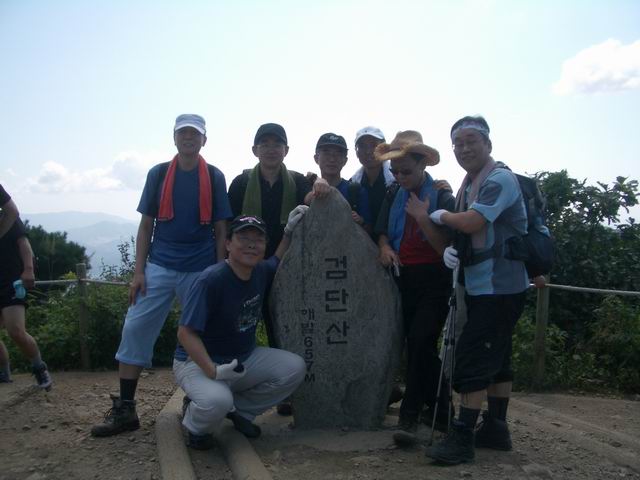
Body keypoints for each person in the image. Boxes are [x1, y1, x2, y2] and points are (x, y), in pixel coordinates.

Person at [91, 114, 232, 437]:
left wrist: (217, 271)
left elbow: (221, 229)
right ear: (174, 137)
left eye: (194, 134)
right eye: (183, 133)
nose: (188, 138)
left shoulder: (213, 176)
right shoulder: (158, 174)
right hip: (160, 264)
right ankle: (126, 408)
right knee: (135, 327)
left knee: (203, 334)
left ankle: (197, 398)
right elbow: (146, 226)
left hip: (200, 267)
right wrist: (138, 271)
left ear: (204, 140)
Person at [427, 115, 529, 465]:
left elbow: (472, 222)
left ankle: (462, 436)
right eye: (458, 143)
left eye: (471, 141)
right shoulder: (469, 183)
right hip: (486, 284)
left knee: (472, 355)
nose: (464, 148)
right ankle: (496, 429)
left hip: (499, 287)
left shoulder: (499, 179)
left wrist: (440, 216)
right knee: (497, 356)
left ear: (488, 144)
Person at [174, 213, 307, 449]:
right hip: (198, 362)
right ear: (228, 244)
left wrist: (288, 232)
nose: (251, 245)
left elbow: (277, 259)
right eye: (243, 238)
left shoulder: (260, 271)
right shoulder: (211, 280)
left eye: (258, 240)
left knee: (294, 368)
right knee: (216, 401)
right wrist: (213, 371)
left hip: (242, 358)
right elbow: (185, 333)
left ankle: (240, 412)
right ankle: (196, 425)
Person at [374, 131, 455, 440]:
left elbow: (445, 248)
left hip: (435, 279)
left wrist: (422, 218)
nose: (400, 177)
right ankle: (442, 412)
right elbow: (382, 230)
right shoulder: (393, 193)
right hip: (403, 277)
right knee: (418, 346)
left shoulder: (442, 196)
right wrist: (384, 247)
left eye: (406, 171)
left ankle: (409, 416)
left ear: (423, 164)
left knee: (421, 340)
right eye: (395, 171)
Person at [0, 185, 52, 389]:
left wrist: (29, 270)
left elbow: (25, 245)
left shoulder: (8, 218)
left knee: (15, 330)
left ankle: (39, 367)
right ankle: (4, 372)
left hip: (11, 280)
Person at [311, 132, 373, 230]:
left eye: (338, 154)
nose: (332, 159)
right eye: (326, 153)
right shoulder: (306, 188)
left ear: (345, 160)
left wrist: (360, 221)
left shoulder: (356, 191)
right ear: (316, 158)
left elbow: (370, 229)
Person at [350, 126, 394, 229]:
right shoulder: (352, 185)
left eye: (374, 145)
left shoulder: (398, 180)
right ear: (356, 152)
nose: (368, 151)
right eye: (362, 146)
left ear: (384, 150)